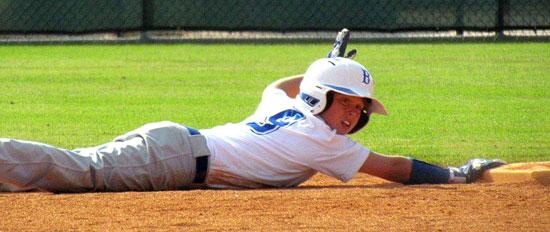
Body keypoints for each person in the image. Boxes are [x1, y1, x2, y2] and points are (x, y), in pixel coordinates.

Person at [0, 34, 505, 193]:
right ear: (321, 99)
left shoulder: (285, 107)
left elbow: (280, 85)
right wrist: (455, 177)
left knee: (84, 165)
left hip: (177, 145)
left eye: (358, 109)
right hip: (179, 155)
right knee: (82, 170)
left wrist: (320, 72)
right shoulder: (323, 141)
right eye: (346, 103)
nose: (352, 117)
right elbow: (393, 169)